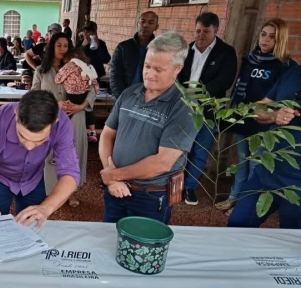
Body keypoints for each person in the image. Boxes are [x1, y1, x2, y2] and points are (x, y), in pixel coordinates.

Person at [99, 32, 197, 224]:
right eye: (147, 66)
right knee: (109, 235)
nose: (150, 74)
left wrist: (113, 175)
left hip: (150, 196)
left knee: (144, 241)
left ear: (177, 69)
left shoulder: (184, 106)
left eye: (158, 69)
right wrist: (111, 173)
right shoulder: (130, 93)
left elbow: (163, 162)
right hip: (115, 188)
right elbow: (107, 134)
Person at [0, 90, 80, 227]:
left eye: (39, 141)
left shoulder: (62, 123)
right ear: (16, 114)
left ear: (55, 122)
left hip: (33, 178)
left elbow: (70, 173)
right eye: (22, 136)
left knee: (33, 225)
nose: (29, 146)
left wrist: (46, 208)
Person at [216, 18, 297, 213]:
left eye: (272, 37)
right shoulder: (250, 59)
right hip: (245, 118)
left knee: (256, 165)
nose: (265, 40)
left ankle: (244, 205)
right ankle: (234, 197)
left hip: (266, 124)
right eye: (263, 34)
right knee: (242, 162)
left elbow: (281, 98)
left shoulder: (286, 66)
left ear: (281, 40)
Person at [227, 65, 301, 229]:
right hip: (266, 172)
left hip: (297, 183)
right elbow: (259, 107)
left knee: (291, 238)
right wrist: (274, 115)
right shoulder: (293, 73)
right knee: (237, 224)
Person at [178, 12, 238, 206]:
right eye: (198, 31)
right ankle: (174, 184)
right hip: (183, 108)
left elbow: (225, 81)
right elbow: (177, 75)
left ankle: (189, 187)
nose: (200, 35)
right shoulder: (186, 50)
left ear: (216, 30)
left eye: (206, 31)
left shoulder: (226, 53)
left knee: (201, 150)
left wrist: (199, 94)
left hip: (208, 111)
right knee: (179, 148)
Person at [33, 32, 96, 208]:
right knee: (50, 155)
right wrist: (55, 103)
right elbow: (35, 94)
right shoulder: (41, 71)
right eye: (59, 45)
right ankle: (50, 191)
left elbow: (92, 89)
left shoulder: (78, 66)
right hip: (51, 118)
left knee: (72, 155)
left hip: (75, 117)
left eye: (66, 46)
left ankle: (70, 192)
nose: (62, 49)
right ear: (52, 47)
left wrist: (82, 106)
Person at [110, 11, 159, 98]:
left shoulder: (159, 49)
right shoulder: (123, 47)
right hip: (124, 95)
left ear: (156, 27)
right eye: (142, 21)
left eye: (151, 23)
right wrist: (121, 97)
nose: (145, 25)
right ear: (137, 24)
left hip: (149, 98)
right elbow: (115, 76)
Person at [76, 21, 111, 143]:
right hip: (81, 78)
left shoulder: (101, 44)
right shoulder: (80, 43)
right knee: (85, 103)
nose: (87, 34)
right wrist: (83, 46)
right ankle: (88, 129)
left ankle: (92, 130)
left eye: (91, 32)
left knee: (88, 103)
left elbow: (106, 59)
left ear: (95, 32)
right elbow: (74, 59)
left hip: (95, 78)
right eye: (86, 31)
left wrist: (98, 45)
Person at [54, 49, 99, 118]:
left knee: (67, 113)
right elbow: (95, 84)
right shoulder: (88, 68)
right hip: (83, 95)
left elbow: (58, 79)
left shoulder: (70, 65)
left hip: (71, 94)